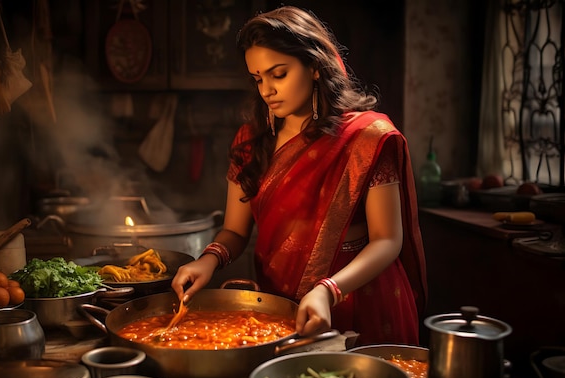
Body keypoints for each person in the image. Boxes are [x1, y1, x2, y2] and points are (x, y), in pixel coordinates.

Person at [171, 5, 427, 345]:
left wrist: (329, 289)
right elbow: (235, 229)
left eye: (279, 74)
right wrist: (208, 260)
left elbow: (387, 240)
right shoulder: (251, 141)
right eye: (258, 78)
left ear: (315, 66)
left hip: (359, 297)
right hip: (281, 301)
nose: (266, 90)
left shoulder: (366, 139)